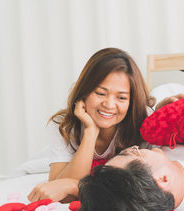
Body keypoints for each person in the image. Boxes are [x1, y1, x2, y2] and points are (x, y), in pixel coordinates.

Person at [27, 47, 156, 202]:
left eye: (121, 98)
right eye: (100, 93)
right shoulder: (66, 125)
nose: (109, 104)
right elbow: (57, 190)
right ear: (85, 91)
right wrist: (90, 132)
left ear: (132, 101)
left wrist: (73, 186)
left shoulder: (145, 122)